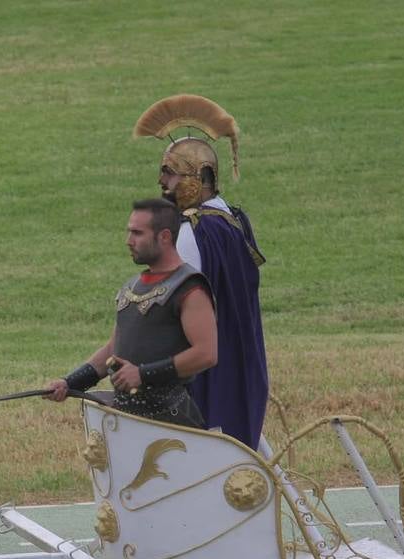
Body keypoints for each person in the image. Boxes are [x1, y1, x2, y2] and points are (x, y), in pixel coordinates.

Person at [133, 94, 268, 449]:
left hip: (207, 378)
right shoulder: (234, 219)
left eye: (171, 173)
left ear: (201, 177)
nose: (162, 181)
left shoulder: (193, 230)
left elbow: (174, 312)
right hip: (245, 366)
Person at [46, 198, 216, 427]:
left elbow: (206, 353)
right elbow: (112, 350)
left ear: (164, 237)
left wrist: (143, 374)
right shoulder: (133, 286)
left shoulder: (189, 287)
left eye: (137, 233)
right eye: (129, 232)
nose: (129, 241)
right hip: (128, 419)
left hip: (172, 423)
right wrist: (69, 383)